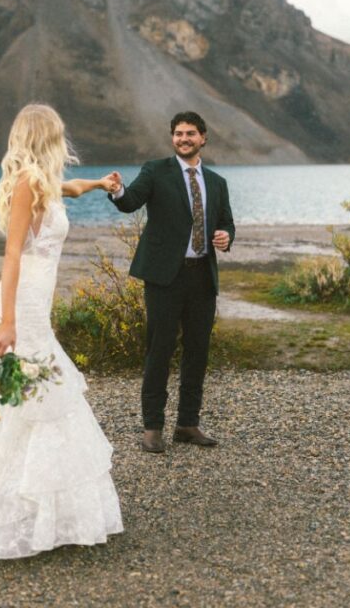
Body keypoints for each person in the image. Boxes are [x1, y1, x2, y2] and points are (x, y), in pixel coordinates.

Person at [0, 104, 124, 561]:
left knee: (32, 393)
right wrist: (8, 322)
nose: (63, 141)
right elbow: (12, 255)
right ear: (46, 138)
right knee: (30, 395)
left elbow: (73, 189)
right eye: (58, 134)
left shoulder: (44, 181)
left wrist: (101, 184)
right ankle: (11, 508)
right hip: (21, 302)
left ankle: (40, 506)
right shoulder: (26, 184)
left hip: (36, 301)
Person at [109, 111, 235, 454]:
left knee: (198, 352)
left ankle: (187, 424)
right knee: (159, 351)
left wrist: (225, 236)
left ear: (203, 138)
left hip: (202, 277)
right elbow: (131, 202)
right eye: (178, 133)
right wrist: (119, 190)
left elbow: (226, 223)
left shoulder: (217, 182)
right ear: (172, 138)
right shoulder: (155, 171)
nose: (183, 138)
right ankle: (153, 428)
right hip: (165, 277)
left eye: (190, 133)